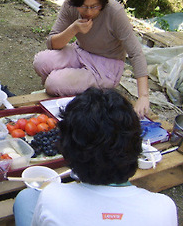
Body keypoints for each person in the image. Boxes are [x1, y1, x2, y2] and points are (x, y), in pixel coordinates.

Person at [13, 87, 177, 226]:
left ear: (67, 151)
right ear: (136, 146)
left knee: (26, 198)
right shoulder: (163, 208)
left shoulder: (52, 198)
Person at [33, 0, 149, 118]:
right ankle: (69, 88)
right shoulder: (71, 5)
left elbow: (136, 53)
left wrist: (143, 97)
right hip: (80, 51)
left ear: (104, 1)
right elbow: (52, 43)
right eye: (83, 6)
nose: (88, 12)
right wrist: (73, 28)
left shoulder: (115, 13)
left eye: (94, 6)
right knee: (41, 62)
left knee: (53, 83)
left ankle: (78, 90)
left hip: (106, 65)